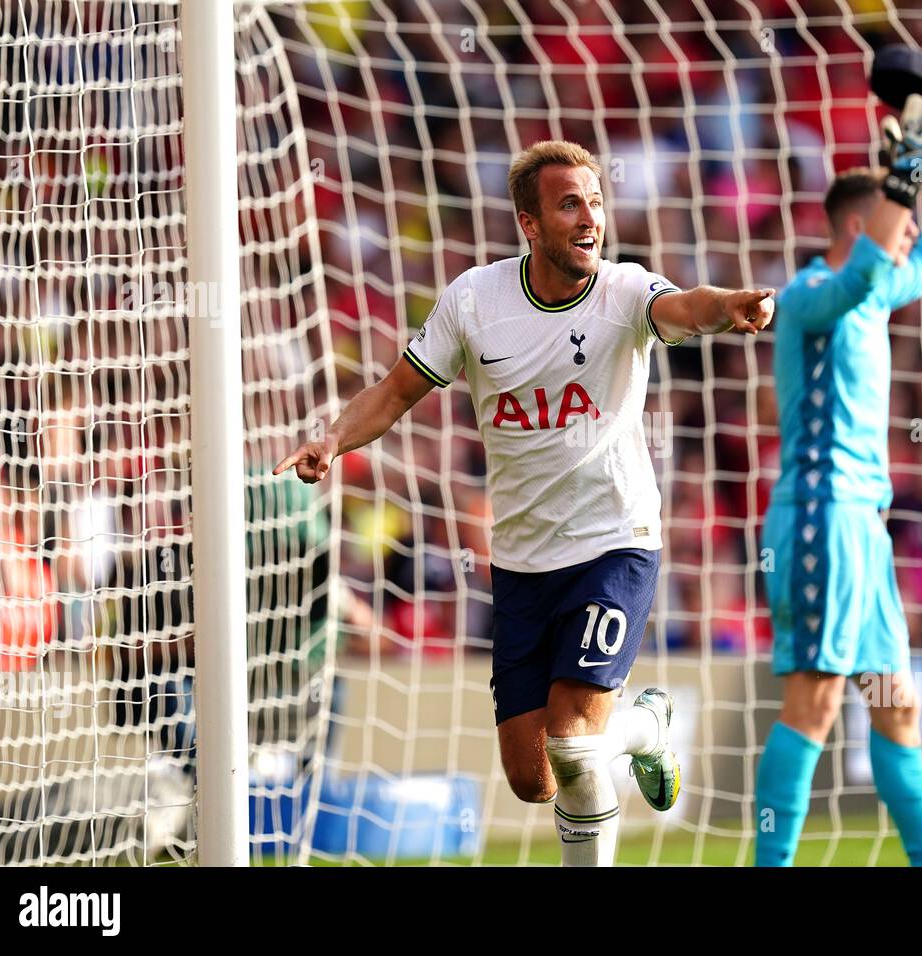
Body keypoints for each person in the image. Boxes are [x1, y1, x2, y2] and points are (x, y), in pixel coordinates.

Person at [275, 140, 777, 866]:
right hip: (520, 561)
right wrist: (333, 441)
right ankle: (646, 725)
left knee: (574, 744)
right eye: (569, 203)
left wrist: (727, 306)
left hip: (615, 541)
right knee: (533, 777)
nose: (589, 219)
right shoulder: (475, 302)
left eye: (595, 202)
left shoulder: (625, 292)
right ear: (529, 223)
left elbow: (685, 306)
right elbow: (394, 392)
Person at [755, 91, 922, 867]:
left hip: (863, 522)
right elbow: (866, 276)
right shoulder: (808, 297)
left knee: (897, 708)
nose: (913, 231)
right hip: (820, 516)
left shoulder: (871, 289)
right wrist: (908, 171)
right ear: (860, 228)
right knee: (816, 702)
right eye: (900, 215)